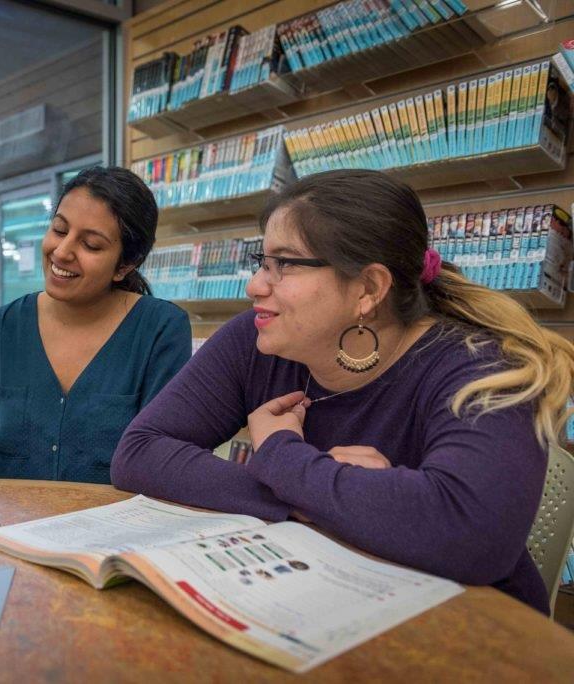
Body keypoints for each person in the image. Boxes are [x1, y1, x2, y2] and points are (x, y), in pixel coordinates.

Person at [111, 169, 574, 614]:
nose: (254, 286)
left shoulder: (482, 368)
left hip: (476, 636)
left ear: (368, 288)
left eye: (285, 265)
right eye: (262, 262)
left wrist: (281, 452)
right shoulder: (255, 340)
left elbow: (473, 535)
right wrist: (330, 496)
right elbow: (139, 453)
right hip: (324, 608)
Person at [0, 166, 192, 483]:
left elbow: (160, 463)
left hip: (114, 530)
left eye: (90, 245)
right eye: (59, 230)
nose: (61, 252)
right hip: (8, 530)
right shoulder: (1, 327)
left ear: (125, 265)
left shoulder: (161, 329)